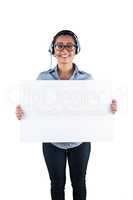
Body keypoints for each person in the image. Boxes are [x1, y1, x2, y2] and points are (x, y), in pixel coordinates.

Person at [15, 30, 117, 200]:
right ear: (52, 50)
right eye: (59, 45)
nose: (64, 49)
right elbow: (35, 109)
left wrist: (109, 109)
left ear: (76, 49)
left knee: (79, 183)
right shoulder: (43, 78)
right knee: (56, 184)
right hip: (52, 143)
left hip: (80, 142)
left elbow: (95, 109)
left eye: (69, 45)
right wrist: (23, 113)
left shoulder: (87, 79)